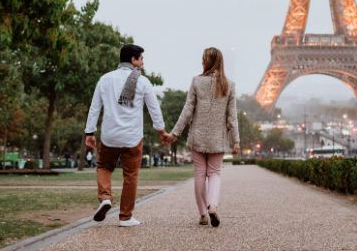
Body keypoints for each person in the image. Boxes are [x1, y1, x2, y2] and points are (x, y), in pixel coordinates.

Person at [84, 44, 169, 227]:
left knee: (104, 167)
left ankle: (105, 197)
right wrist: (161, 130)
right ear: (133, 60)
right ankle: (125, 217)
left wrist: (90, 132)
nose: (143, 62)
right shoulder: (143, 81)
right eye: (141, 58)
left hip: (110, 136)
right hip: (132, 137)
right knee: (130, 175)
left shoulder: (105, 79)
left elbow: (94, 107)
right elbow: (154, 109)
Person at [165, 47, 240, 227]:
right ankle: (212, 205)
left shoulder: (197, 82)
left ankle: (203, 214)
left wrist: (175, 132)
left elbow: (188, 109)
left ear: (206, 62)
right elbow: (232, 116)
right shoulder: (229, 85)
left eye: (203, 59)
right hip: (217, 138)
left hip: (198, 137)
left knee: (199, 174)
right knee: (214, 174)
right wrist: (236, 140)